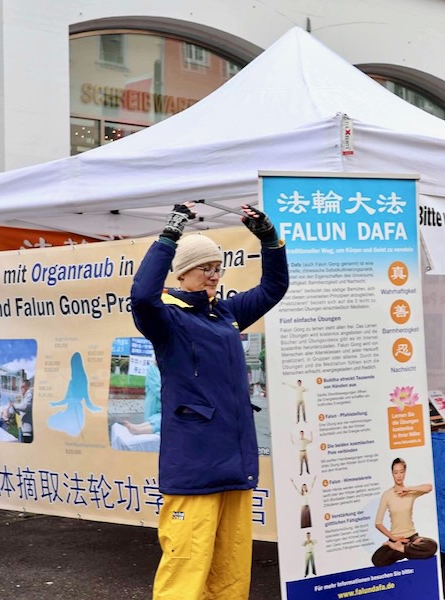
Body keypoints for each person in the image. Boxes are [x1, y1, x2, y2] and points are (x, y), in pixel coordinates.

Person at [130, 201, 288, 600]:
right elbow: (142, 295)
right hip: (195, 467)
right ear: (183, 273)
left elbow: (274, 288)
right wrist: (169, 236)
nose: (214, 276)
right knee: (186, 569)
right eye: (206, 269)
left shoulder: (226, 314)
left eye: (218, 268)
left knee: (230, 572)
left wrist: (270, 240)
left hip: (234, 466)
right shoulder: (167, 318)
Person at [372, 457, 438, 567]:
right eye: (396, 472)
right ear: (392, 474)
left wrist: (408, 489)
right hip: (395, 539)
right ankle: (409, 550)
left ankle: (402, 549)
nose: (399, 475)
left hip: (412, 537)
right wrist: (393, 539)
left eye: (401, 472)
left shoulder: (410, 492)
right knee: (377, 559)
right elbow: (378, 523)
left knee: (432, 545)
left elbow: (429, 487)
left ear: (405, 472)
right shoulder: (387, 495)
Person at [122, 360, 162, 435]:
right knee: (156, 420)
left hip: (165, 403)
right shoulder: (152, 368)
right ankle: (137, 428)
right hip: (155, 402)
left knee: (161, 419)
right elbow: (157, 388)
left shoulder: (170, 370)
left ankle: (137, 429)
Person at [14, 379, 34, 443]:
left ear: (27, 387)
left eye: (22, 387)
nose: (21, 389)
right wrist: (16, 410)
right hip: (24, 429)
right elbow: (23, 411)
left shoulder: (29, 395)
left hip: (28, 429)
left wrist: (14, 405)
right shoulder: (25, 397)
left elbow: (25, 407)